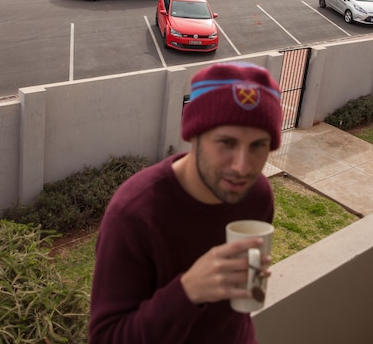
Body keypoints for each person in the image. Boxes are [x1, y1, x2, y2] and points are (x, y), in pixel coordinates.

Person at [89, 62, 283, 344]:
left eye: (258, 145)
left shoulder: (257, 196)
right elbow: (106, 338)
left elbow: (238, 303)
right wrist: (188, 291)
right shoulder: (133, 214)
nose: (242, 167)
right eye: (226, 142)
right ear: (194, 135)